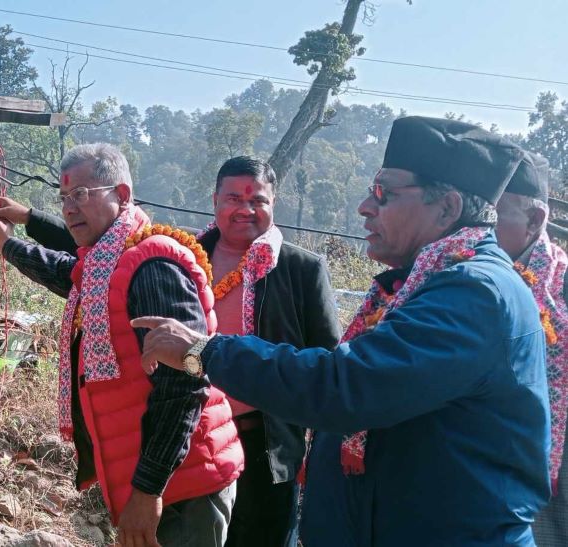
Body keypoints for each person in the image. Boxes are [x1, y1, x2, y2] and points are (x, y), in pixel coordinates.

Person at [130, 117, 550, 546]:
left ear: (447, 207)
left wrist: (205, 352)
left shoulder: (473, 291)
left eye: (385, 193)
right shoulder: (425, 281)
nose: (366, 207)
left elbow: (345, 384)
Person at [0, 155, 343, 547]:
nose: (244, 209)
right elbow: (79, 264)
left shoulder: (289, 267)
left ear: (273, 204)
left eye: (256, 200)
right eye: (232, 199)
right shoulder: (165, 250)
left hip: (260, 443)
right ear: (215, 201)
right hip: (185, 449)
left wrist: (322, 456)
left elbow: (322, 372)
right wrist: (19, 230)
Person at [0, 143, 242, 546]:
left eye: (82, 194)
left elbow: (184, 385)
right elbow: (67, 274)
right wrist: (11, 242)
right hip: (159, 478)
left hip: (182, 485)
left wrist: (147, 491)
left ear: (121, 195)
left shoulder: (153, 265)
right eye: (64, 197)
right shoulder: (108, 264)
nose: (69, 208)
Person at [495, 152, 567, 547]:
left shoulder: (563, 284)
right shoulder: (470, 277)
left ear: (536, 221)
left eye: (494, 215)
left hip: (555, 465)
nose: (480, 227)